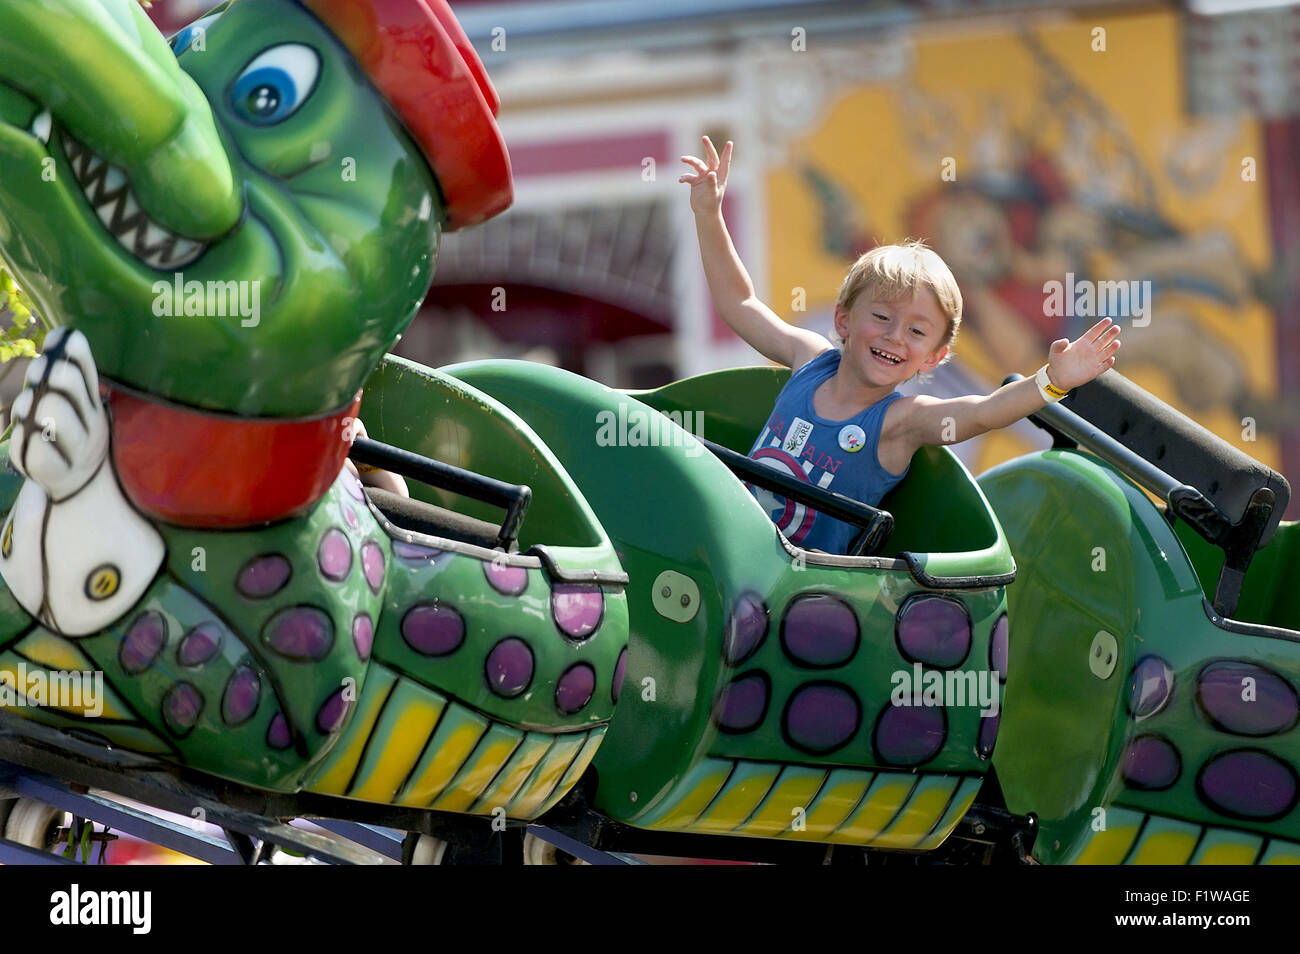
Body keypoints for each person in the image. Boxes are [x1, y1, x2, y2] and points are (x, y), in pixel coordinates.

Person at [680, 136, 1120, 554]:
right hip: (728, 545)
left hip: (795, 593)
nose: (894, 336)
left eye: (916, 331)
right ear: (843, 320)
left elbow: (983, 412)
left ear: (935, 356)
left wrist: (1052, 381)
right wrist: (709, 212)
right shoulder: (810, 359)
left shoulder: (900, 420)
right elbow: (739, 303)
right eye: (882, 317)